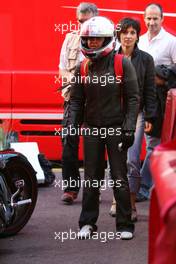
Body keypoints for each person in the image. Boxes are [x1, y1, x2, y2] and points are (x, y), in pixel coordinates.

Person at [68, 16, 140, 240]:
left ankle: (124, 225)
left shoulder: (122, 63)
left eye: (97, 39)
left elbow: (133, 98)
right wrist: (71, 124)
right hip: (91, 129)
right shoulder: (82, 67)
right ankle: (87, 223)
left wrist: (128, 128)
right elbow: (77, 101)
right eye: (89, 39)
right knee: (91, 178)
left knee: (119, 177)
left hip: (115, 128)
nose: (92, 43)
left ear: (107, 39)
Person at [109, 18, 156, 221]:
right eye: (125, 32)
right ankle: (116, 200)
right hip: (112, 115)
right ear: (118, 35)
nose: (128, 36)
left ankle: (131, 202)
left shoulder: (146, 59)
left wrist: (150, 116)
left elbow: (150, 91)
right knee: (114, 161)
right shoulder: (109, 57)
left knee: (132, 159)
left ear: (137, 35)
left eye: (133, 32)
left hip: (136, 114)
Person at [59, 2, 98, 204]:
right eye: (79, 21)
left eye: (86, 21)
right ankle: (70, 189)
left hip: (98, 100)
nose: (81, 25)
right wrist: (73, 80)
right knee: (68, 140)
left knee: (96, 145)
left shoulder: (108, 38)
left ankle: (94, 190)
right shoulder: (70, 38)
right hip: (73, 97)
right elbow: (62, 69)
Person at [137, 3, 176, 201]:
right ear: (144, 19)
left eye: (155, 18)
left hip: (159, 103)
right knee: (133, 148)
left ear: (162, 19)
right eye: (149, 18)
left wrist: (160, 76)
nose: (152, 22)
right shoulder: (139, 41)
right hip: (137, 101)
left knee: (153, 145)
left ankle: (143, 188)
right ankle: (136, 187)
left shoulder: (171, 42)